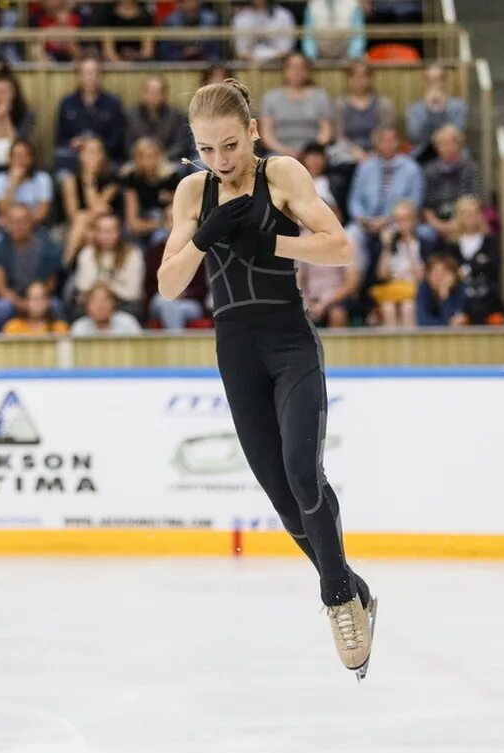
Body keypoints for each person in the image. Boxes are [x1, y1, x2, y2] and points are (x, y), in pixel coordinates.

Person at [155, 78, 377, 678]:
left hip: (288, 344)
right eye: (206, 150)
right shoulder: (191, 193)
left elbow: (340, 248)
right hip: (236, 355)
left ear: (252, 131)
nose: (220, 161)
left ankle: (338, 600)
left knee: (305, 476)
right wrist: (204, 235)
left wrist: (271, 239)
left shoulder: (282, 176)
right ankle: (352, 584)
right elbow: (168, 285)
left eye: (230, 146)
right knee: (283, 501)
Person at [345, 126, 422, 279]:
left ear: (398, 143)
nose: (387, 145)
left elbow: (415, 202)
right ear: (377, 144)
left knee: (393, 236)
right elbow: (354, 199)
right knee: (350, 235)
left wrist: (387, 220)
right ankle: (354, 284)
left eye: (391, 141)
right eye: (383, 141)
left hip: (397, 221)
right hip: (366, 223)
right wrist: (362, 218)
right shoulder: (365, 168)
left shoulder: (412, 169)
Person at [0, 203, 63, 329]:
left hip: (40, 295)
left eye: (22, 221)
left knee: (56, 305)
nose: (17, 226)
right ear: (6, 224)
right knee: (0, 308)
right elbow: (0, 287)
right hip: (12, 297)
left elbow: (50, 283)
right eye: (13, 222)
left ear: (31, 223)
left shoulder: (48, 248)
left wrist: (35, 301)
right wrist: (21, 303)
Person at [54, 56, 127, 174]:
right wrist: (73, 143)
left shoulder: (113, 103)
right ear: (79, 76)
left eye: (95, 73)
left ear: (101, 75)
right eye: (86, 73)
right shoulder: (67, 103)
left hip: (106, 157)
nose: (91, 78)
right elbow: (60, 140)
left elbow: (118, 139)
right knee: (64, 172)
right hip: (75, 157)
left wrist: (96, 148)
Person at [259, 53, 335, 160]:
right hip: (279, 153)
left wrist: (309, 152)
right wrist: (286, 152)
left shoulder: (320, 96)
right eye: (292, 67)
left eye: (301, 67)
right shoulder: (271, 97)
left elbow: (326, 132)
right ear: (285, 70)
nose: (296, 72)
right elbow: (266, 135)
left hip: (313, 154)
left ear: (307, 70)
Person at [58, 135, 120, 262]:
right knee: (86, 229)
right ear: (81, 155)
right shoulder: (70, 180)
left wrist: (89, 179)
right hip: (75, 227)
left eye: (98, 152)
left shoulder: (111, 182)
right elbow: (72, 215)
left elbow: (96, 207)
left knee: (86, 223)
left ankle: (65, 264)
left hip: (104, 226)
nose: (94, 157)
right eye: (90, 152)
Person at [72, 213, 144, 319]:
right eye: (102, 231)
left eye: (110, 231)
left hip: (123, 303)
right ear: (95, 233)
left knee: (135, 309)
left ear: (119, 232)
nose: (106, 235)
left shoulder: (133, 254)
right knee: (77, 310)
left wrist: (108, 293)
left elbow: (133, 292)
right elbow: (84, 287)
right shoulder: (87, 253)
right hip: (93, 302)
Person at [421, 124, 481, 243]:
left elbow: (475, 197)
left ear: (459, 145)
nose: (446, 148)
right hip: (436, 219)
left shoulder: (470, 168)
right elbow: (425, 205)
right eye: (442, 144)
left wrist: (457, 222)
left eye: (450, 143)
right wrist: (438, 224)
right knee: (426, 234)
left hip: (463, 217)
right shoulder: (429, 170)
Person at [371, 198, 424, 327]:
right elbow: (383, 275)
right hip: (393, 289)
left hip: (413, 289)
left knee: (408, 307)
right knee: (388, 308)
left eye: (406, 219)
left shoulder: (422, 243)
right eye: (397, 220)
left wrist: (407, 246)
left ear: (414, 220)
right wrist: (387, 247)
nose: (401, 224)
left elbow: (420, 277)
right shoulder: (386, 244)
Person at [332, 61, 394, 167]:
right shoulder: (340, 105)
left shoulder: (383, 105)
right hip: (348, 152)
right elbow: (339, 136)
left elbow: (386, 134)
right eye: (355, 77)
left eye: (363, 77)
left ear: (370, 79)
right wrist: (354, 151)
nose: (359, 81)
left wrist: (373, 153)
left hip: (377, 153)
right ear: (349, 79)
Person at [122, 137, 181, 248]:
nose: (147, 161)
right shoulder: (132, 177)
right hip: (145, 219)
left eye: (152, 156)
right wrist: (153, 224)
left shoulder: (172, 176)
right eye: (142, 157)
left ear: (160, 156)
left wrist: (159, 224)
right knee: (128, 232)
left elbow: (176, 213)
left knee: (160, 235)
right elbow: (132, 221)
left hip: (166, 221)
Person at [406, 64, 467, 163]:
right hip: (423, 150)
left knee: (465, 157)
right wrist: (428, 109)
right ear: (424, 82)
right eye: (429, 80)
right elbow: (414, 135)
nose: (434, 84)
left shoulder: (458, 106)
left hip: (451, 149)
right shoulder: (415, 108)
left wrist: (442, 109)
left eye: (438, 79)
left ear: (444, 81)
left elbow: (458, 133)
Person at [126, 76, 193, 164]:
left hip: (168, 159)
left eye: (158, 92)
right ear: (143, 93)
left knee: (179, 168)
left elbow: (180, 144)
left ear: (165, 94)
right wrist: (143, 158)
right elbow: (127, 144)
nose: (154, 96)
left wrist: (160, 158)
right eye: (150, 92)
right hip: (139, 161)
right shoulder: (131, 115)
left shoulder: (176, 115)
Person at [0, 72, 35, 170]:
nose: (2, 96)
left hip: (19, 157)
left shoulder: (27, 114)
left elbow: (17, 142)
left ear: (14, 93)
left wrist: (6, 118)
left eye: (5, 92)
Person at [0, 140, 53, 226]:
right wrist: (13, 183)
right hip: (8, 226)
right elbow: (2, 210)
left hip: (34, 226)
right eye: (16, 156)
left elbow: (42, 213)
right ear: (9, 159)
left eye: (24, 156)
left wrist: (22, 224)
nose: (20, 160)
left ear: (31, 159)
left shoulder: (42, 178)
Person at [301, 0, 366, 61]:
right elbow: (308, 37)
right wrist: (312, 58)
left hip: (346, 59)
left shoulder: (353, 5)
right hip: (319, 59)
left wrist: (351, 57)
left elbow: (358, 37)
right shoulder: (313, 5)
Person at [416, 253, 468, 327]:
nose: (439, 278)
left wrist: (444, 298)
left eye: (444, 274)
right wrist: (447, 323)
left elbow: (458, 319)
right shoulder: (423, 287)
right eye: (434, 273)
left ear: (454, 276)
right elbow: (422, 321)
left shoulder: (460, 288)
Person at [70, 283, 141, 336]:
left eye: (105, 300)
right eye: (95, 301)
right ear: (87, 306)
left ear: (113, 304)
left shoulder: (128, 323)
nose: (101, 305)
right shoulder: (79, 328)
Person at [2, 280, 68, 335]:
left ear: (48, 302)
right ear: (25, 302)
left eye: (42, 298)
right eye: (34, 299)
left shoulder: (60, 328)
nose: (38, 303)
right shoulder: (12, 328)